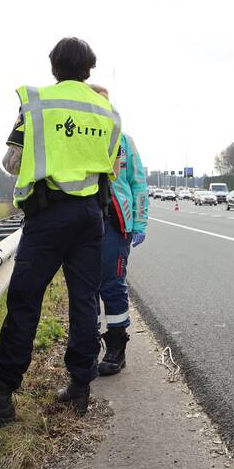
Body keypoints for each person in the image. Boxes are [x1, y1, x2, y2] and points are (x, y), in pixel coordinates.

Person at [0, 37, 120, 426]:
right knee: (84, 301)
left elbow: (12, 162)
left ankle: (0, 398)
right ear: (89, 70)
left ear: (53, 67)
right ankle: (80, 386)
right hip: (91, 216)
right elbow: (107, 165)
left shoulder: (38, 103)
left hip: (49, 216)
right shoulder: (108, 111)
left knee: (25, 301)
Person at [88, 84, 147, 375]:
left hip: (115, 223)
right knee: (85, 288)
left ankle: (115, 349)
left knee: (112, 285)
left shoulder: (124, 141)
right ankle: (85, 348)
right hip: (83, 222)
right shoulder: (80, 138)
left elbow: (138, 183)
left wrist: (140, 223)